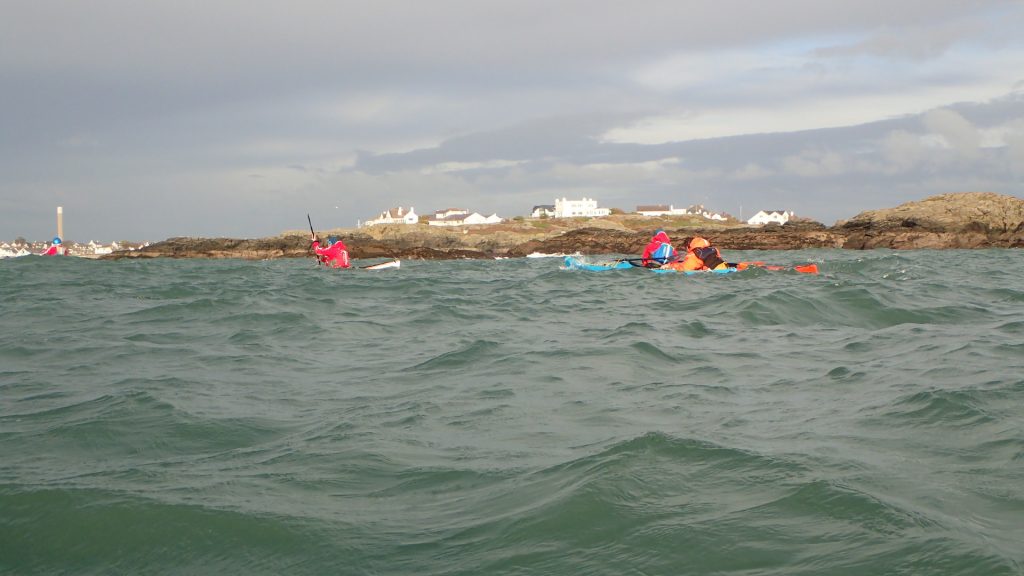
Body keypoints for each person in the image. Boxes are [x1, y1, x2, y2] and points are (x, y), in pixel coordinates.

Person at [663, 236, 729, 271]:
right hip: (725, 267)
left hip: (715, 273)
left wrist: (669, 266)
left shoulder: (693, 254)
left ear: (687, 247)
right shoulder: (713, 249)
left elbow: (685, 268)